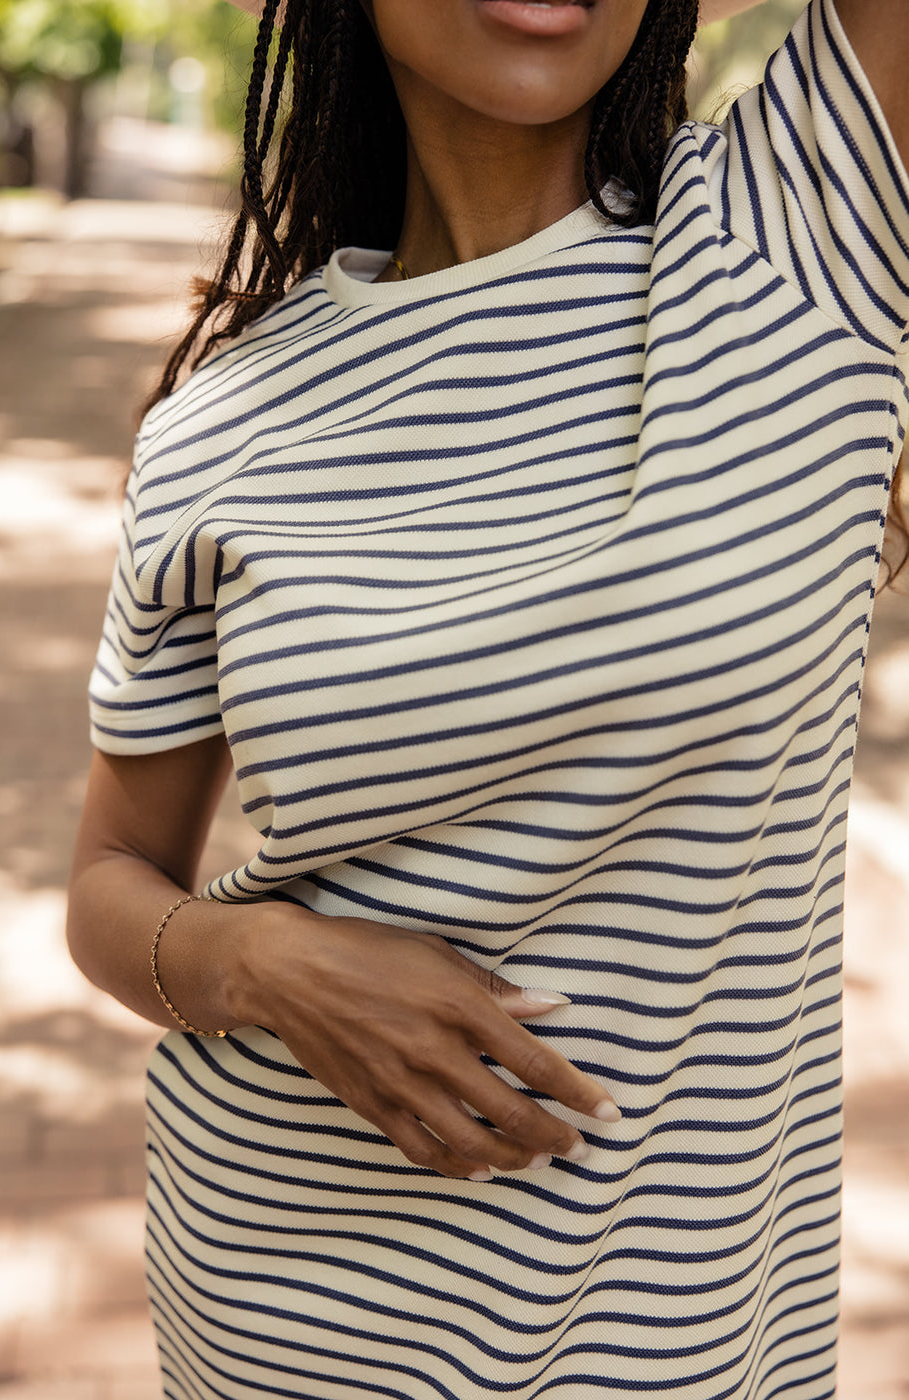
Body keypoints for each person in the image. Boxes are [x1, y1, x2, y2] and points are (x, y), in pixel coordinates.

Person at [67, 0, 909, 1394]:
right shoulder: (221, 425)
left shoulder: (793, 231)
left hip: (680, 1345)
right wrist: (264, 961)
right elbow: (108, 880)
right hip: (289, 1310)